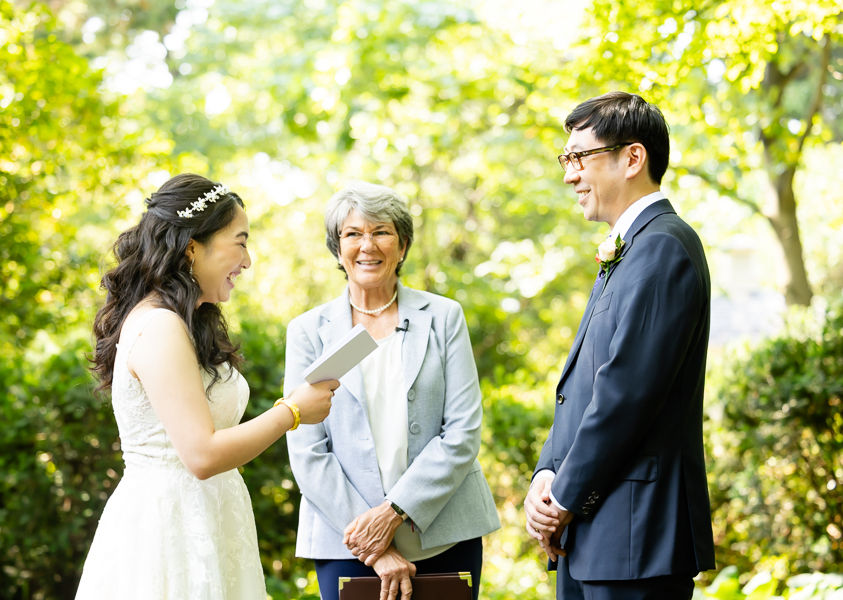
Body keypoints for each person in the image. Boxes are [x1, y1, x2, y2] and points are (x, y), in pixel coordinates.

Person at [77, 174, 338, 599]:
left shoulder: (186, 322)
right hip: (170, 531)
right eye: (240, 241)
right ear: (193, 246)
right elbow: (201, 454)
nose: (248, 260)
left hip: (209, 518)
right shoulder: (160, 326)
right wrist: (291, 412)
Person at [523, 92, 716, 599]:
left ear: (632, 158)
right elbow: (585, 386)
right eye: (567, 160)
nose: (569, 175)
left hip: (636, 538)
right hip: (596, 534)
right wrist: (547, 472)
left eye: (579, 157)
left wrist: (562, 497)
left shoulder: (663, 248)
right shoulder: (630, 250)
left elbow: (625, 395)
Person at [283, 181, 501, 600]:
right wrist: (373, 544)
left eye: (381, 231)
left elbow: (461, 434)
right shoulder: (309, 331)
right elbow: (308, 450)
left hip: (444, 534)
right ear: (337, 247)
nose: (368, 245)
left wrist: (393, 513)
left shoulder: (443, 317)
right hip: (347, 538)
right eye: (352, 234)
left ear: (402, 245)